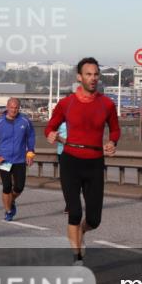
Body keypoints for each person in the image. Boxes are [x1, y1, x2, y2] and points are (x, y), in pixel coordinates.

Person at [44, 58, 119, 265]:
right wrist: (51, 134)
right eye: (88, 74)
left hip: (95, 162)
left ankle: (81, 233)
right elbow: (50, 126)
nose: (93, 78)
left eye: (96, 74)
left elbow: (114, 128)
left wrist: (112, 142)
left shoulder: (107, 104)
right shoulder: (66, 103)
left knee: (94, 219)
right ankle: (77, 259)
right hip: (70, 161)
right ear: (79, 77)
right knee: (75, 212)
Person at [0, 97, 36, 221]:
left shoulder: (25, 121)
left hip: (19, 159)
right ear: (7, 107)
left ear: (19, 108)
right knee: (7, 186)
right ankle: (8, 211)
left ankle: (11, 200)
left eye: (16, 108)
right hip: (4, 159)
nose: (14, 110)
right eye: (11, 108)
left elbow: (31, 137)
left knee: (19, 187)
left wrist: (30, 153)